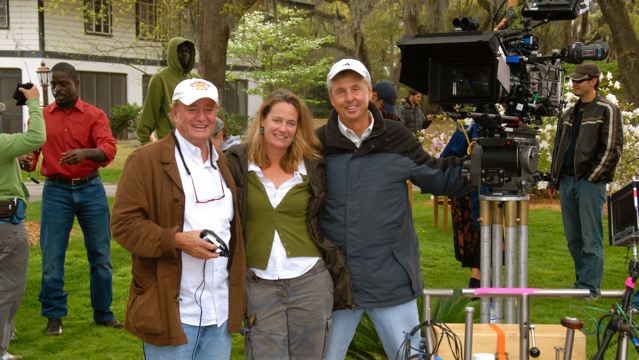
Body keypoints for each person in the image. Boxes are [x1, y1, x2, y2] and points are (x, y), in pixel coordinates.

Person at [317, 58, 471, 359]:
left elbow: (436, 176)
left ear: (370, 92)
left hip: (390, 279)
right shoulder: (317, 143)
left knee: (409, 356)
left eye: (356, 89)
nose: (350, 98)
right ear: (331, 98)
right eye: (340, 91)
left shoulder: (395, 136)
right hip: (335, 281)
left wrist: (478, 170)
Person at [111, 78, 246, 360]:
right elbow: (123, 226)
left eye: (208, 109)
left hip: (218, 311)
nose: (201, 117)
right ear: (174, 113)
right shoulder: (145, 160)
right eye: (191, 109)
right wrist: (175, 240)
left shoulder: (220, 161)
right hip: (173, 311)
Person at [226, 90, 349, 359]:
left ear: (298, 128)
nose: (283, 128)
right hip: (259, 285)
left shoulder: (313, 166)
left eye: (290, 123)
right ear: (263, 121)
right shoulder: (236, 163)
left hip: (310, 282)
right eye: (277, 120)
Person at [27, 62, 120, 336]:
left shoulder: (94, 115)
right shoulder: (41, 117)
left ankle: (103, 313)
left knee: (100, 256)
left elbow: (108, 148)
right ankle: (54, 317)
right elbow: (31, 155)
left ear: (76, 84)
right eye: (54, 84)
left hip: (90, 189)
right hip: (56, 191)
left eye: (63, 83)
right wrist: (25, 160)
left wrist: (86, 153)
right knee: (52, 257)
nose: (57, 88)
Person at [549, 63, 623, 300]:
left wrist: (592, 177)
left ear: (593, 81)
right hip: (567, 182)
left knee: (591, 238)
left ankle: (590, 287)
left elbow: (612, 148)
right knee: (573, 238)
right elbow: (558, 147)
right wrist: (554, 179)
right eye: (573, 80)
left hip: (590, 183)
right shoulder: (569, 113)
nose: (574, 84)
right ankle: (581, 282)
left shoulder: (607, 110)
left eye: (580, 80)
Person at [0, 85, 46, 360]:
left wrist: (13, 160)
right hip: (6, 226)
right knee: (8, 288)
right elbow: (37, 136)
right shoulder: (2, 143)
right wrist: (34, 102)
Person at [440, 121, 483, 288]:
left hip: (475, 192)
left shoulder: (469, 128)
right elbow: (447, 157)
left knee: (481, 231)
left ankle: (478, 276)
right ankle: (477, 275)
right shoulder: (467, 129)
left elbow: (445, 157)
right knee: (477, 232)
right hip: (468, 191)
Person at [137, 37, 199, 145]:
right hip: (170, 143)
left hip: (194, 143)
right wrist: (144, 142)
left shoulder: (196, 80)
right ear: (172, 54)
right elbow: (150, 112)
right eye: (180, 51)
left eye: (187, 51)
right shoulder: (160, 79)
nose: (184, 54)